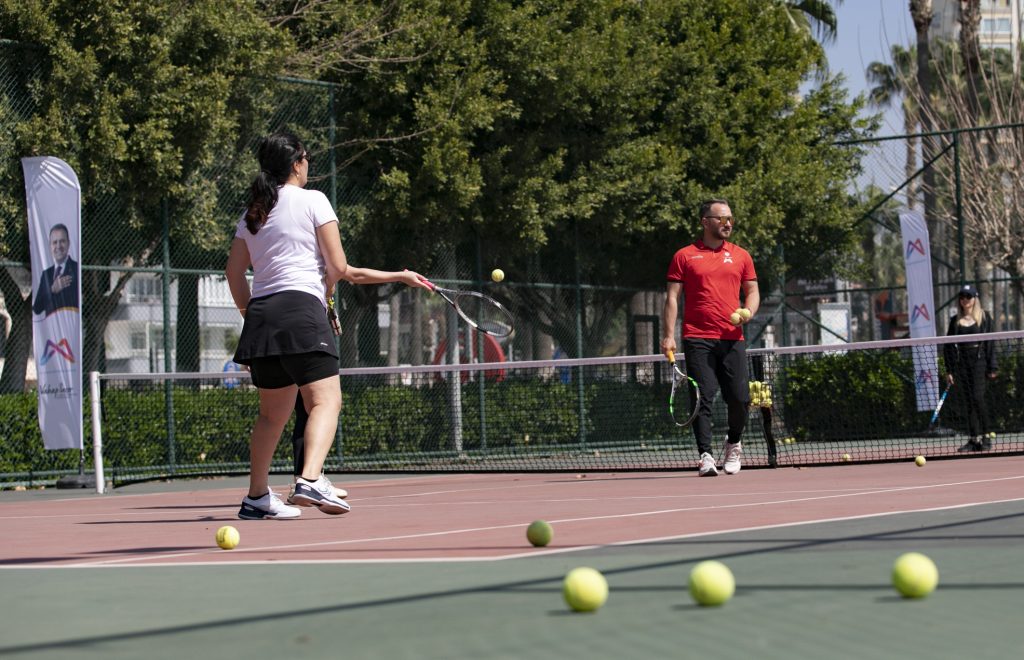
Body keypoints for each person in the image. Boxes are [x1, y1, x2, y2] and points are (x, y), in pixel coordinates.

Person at [227, 131, 427, 520]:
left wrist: (254, 318)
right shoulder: (314, 201)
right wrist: (398, 276)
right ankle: (311, 479)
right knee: (326, 400)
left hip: (263, 319)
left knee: (271, 416)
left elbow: (234, 275)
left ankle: (256, 498)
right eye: (307, 159)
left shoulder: (253, 213)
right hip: (301, 313)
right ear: (297, 163)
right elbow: (339, 269)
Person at [661, 199, 759, 477]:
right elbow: (671, 297)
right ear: (705, 221)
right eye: (721, 218)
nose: (728, 223)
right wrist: (668, 335)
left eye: (730, 218)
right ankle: (705, 455)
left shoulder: (742, 256)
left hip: (732, 338)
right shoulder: (684, 256)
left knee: (739, 398)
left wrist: (748, 311)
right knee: (701, 397)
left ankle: (734, 442)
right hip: (697, 337)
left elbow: (752, 291)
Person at [943, 284, 997, 452]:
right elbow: (949, 347)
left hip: (979, 363)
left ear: (975, 298)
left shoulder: (985, 317)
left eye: (968, 296)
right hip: (962, 364)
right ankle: (974, 439)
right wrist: (949, 370)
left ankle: (987, 435)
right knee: (969, 403)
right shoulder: (955, 321)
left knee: (977, 397)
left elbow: (990, 343)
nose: (965, 300)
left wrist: (992, 366)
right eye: (962, 297)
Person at [32, 224, 79, 316]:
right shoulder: (46, 274)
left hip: (72, 324)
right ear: (50, 246)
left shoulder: (76, 269)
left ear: (68, 243)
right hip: (51, 327)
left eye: (62, 241)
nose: (58, 246)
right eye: (54, 242)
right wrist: (52, 290)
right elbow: (37, 308)